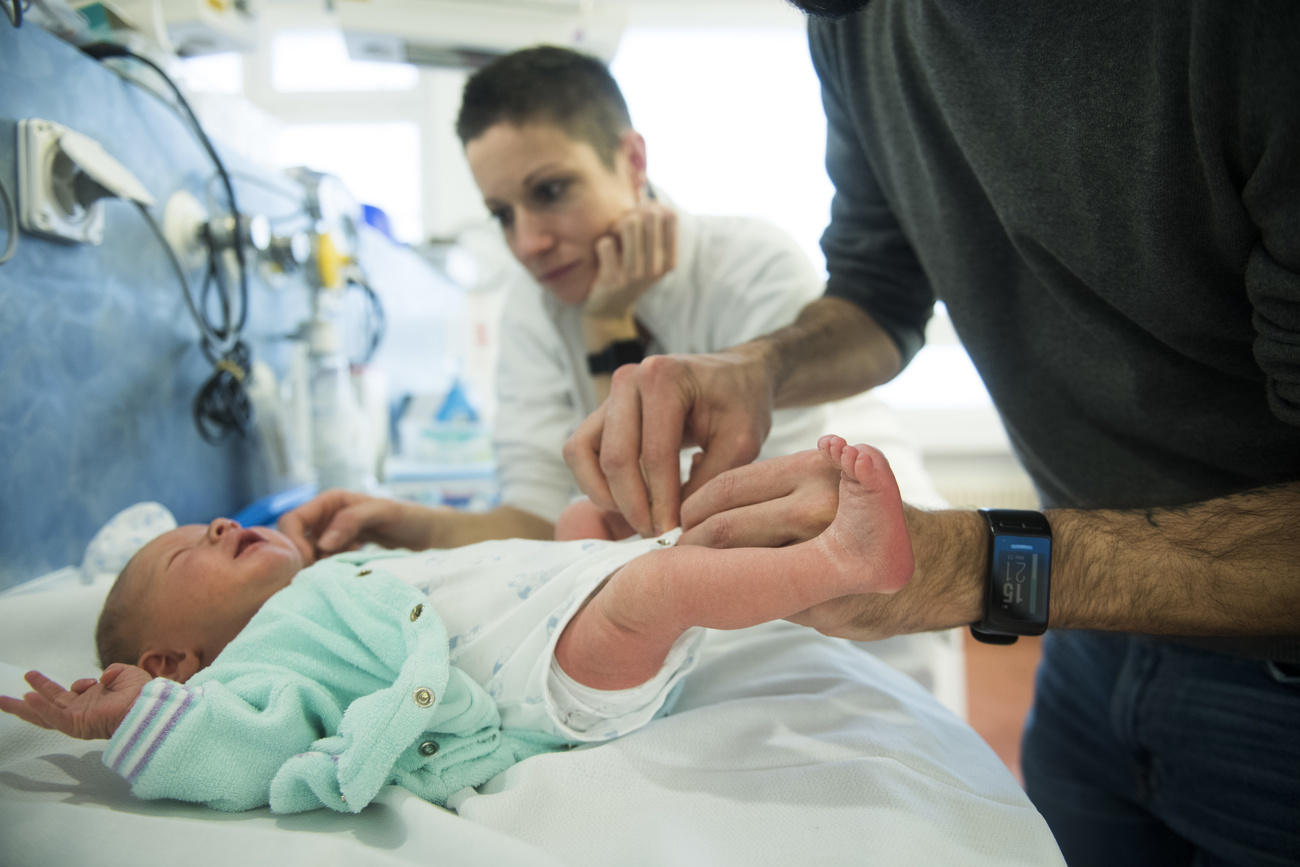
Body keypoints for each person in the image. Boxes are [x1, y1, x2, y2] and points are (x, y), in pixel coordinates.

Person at [559, 3, 1300, 865]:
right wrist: (759, 368)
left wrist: (972, 566)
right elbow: (879, 286)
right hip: (1089, 641)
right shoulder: (853, 19)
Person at [0, 436, 915, 815]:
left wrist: (569, 555)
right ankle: (841, 565)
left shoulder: (328, 584)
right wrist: (136, 717)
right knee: (665, 584)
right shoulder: (254, 669)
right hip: (533, 685)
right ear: (173, 658)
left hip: (539, 616)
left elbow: (470, 572)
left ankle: (798, 524)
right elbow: (240, 750)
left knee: (646, 539)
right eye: (188, 552)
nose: (220, 522)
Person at [367, 43, 936, 549]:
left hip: (863, 594)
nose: (528, 242)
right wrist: (403, 528)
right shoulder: (531, 306)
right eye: (502, 215)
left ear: (632, 161)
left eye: (551, 191)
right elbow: (539, 519)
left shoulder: (753, 267)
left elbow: (736, 519)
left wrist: (609, 329)